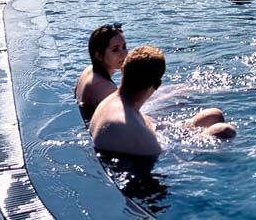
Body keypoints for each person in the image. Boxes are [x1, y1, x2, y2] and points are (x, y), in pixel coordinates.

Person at [90, 46, 236, 157]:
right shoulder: (133, 128)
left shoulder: (113, 102)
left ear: (123, 71)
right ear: (156, 85)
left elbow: (142, 123)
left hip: (153, 135)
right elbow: (168, 161)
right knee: (225, 131)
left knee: (214, 114)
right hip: (153, 150)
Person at [75, 24, 127, 121]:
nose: (124, 53)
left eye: (124, 47)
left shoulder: (88, 70)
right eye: (115, 49)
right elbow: (124, 119)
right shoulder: (106, 88)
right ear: (99, 56)